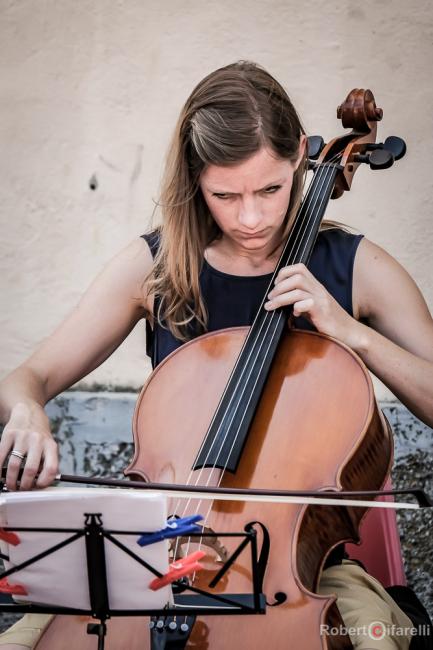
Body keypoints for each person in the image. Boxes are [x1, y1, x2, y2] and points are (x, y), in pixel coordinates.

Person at [0, 60, 432, 650]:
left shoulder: (357, 268)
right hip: (156, 552)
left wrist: (352, 333)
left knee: (378, 641)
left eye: (271, 189)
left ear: (299, 169)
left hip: (301, 567)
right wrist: (26, 409)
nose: (250, 217)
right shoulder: (155, 268)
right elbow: (31, 376)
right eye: (225, 195)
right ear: (195, 183)